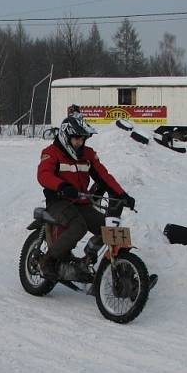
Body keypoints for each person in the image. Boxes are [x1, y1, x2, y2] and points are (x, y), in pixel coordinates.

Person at [36, 114, 135, 280]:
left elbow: (104, 176)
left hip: (80, 202)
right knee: (78, 226)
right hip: (59, 201)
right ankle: (48, 260)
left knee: (109, 229)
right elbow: (43, 174)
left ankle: (87, 260)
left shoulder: (87, 155)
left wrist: (122, 194)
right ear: (65, 136)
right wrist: (62, 186)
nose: (79, 143)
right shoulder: (51, 152)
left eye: (82, 139)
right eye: (76, 139)